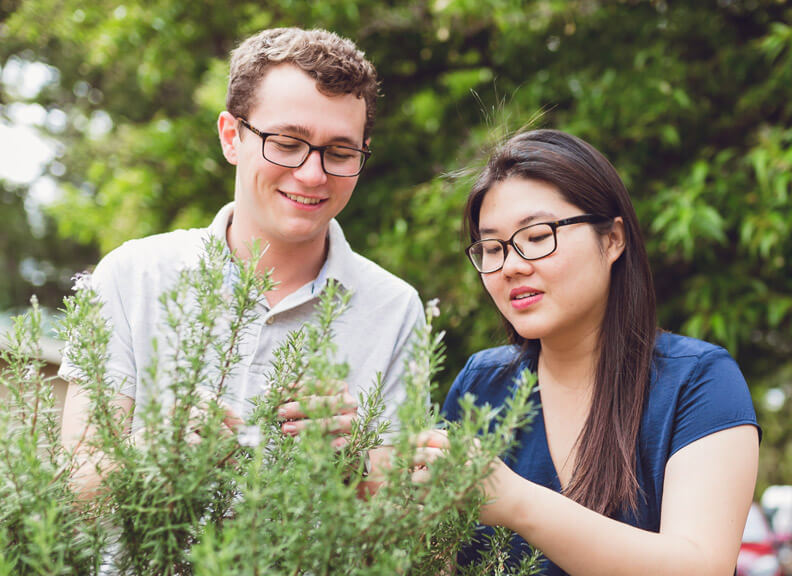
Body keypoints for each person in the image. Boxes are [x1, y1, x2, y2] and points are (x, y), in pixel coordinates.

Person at [60, 27, 424, 496]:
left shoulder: (396, 310)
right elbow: (72, 493)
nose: (312, 174)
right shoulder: (131, 276)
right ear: (231, 137)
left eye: (340, 152)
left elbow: (404, 520)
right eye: (287, 143)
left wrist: (352, 461)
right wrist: (149, 454)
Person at [418, 129, 760, 575]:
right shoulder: (482, 384)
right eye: (493, 247)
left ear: (613, 239)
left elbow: (700, 567)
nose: (512, 266)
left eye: (537, 236)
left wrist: (515, 501)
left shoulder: (698, 381)